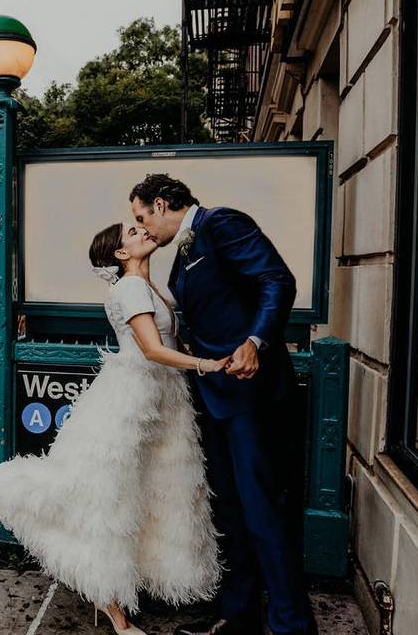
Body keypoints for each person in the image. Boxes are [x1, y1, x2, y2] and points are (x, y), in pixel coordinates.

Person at [0, 223, 228, 635]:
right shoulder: (129, 288)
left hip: (161, 404)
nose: (142, 231)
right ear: (121, 254)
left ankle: (120, 598)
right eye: (132, 231)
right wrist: (206, 365)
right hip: (130, 403)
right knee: (102, 502)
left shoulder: (149, 286)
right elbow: (150, 348)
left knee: (149, 497)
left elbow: (171, 343)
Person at [130, 174, 314, 635]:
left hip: (251, 397)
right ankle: (240, 617)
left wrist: (256, 341)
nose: (142, 228)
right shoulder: (181, 256)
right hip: (213, 401)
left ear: (159, 203)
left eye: (141, 217)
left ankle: (292, 626)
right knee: (229, 513)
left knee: (263, 513)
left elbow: (276, 279)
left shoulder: (222, 224)